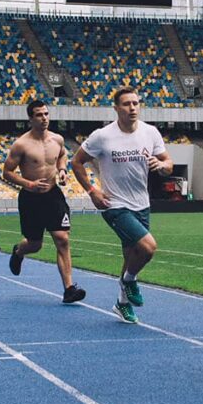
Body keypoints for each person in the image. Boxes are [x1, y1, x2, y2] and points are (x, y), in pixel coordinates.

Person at [71, 87, 172, 324]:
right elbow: (76, 162)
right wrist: (91, 190)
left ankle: (122, 304)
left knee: (131, 255)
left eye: (136, 103)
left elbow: (168, 163)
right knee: (147, 247)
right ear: (116, 108)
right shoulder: (102, 136)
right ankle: (128, 281)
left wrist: (162, 165)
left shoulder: (151, 132)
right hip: (113, 204)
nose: (132, 108)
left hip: (141, 204)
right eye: (126, 104)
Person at [3, 100, 85, 304]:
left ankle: (69, 289)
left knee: (62, 238)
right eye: (39, 115)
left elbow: (63, 156)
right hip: (30, 198)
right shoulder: (21, 144)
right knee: (35, 244)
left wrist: (63, 170)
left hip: (53, 195)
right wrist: (28, 184)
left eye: (46, 114)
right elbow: (7, 172)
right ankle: (19, 251)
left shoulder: (57, 139)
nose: (44, 118)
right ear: (30, 118)